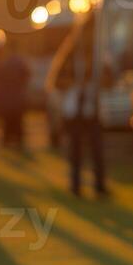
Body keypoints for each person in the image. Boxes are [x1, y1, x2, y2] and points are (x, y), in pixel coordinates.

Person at [56, 40, 110, 199]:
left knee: (97, 151)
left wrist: (97, 82)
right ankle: (75, 186)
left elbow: (109, 81)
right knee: (76, 152)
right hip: (74, 113)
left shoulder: (99, 62)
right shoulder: (68, 61)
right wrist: (75, 84)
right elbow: (56, 82)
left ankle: (100, 186)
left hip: (92, 112)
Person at [0, 45, 31, 151]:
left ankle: (6, 142)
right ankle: (18, 143)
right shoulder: (21, 63)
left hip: (6, 97)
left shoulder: (3, 63)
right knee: (18, 122)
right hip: (18, 97)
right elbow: (27, 76)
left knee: (7, 121)